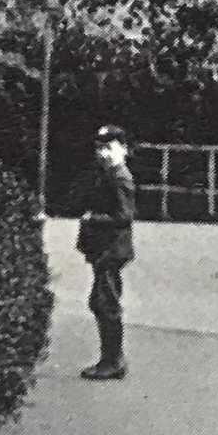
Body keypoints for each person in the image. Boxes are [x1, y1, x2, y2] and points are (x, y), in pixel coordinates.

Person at [77, 124, 138, 380]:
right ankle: (111, 359)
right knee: (102, 301)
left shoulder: (120, 177)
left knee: (105, 303)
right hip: (106, 249)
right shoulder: (108, 174)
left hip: (112, 249)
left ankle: (112, 361)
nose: (103, 153)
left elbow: (125, 216)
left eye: (109, 148)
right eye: (99, 148)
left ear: (123, 149)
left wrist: (93, 218)